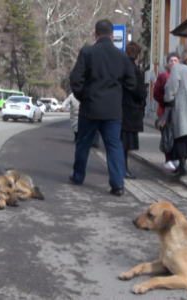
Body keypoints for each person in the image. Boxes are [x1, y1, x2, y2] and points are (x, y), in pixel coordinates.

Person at [69, 19, 136, 196]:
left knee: (84, 143)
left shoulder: (87, 52)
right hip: (113, 110)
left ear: (95, 34)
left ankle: (78, 176)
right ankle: (117, 184)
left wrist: (82, 96)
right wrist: (118, 99)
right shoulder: (121, 56)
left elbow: (76, 80)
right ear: (112, 35)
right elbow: (131, 84)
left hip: (90, 107)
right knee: (114, 146)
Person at [164, 52, 187, 178]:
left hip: (181, 108)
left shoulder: (177, 68)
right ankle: (182, 165)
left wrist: (168, 99)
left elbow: (170, 86)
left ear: (180, 60)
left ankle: (183, 166)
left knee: (179, 137)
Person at [121, 42, 147, 179]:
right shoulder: (135, 70)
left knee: (121, 141)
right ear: (137, 55)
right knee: (125, 143)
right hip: (131, 110)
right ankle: (123, 169)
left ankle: (121, 168)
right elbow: (140, 92)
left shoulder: (121, 67)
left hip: (121, 109)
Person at [153, 52, 180, 171]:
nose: (173, 63)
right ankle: (168, 159)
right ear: (167, 63)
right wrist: (166, 102)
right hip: (165, 112)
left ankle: (176, 158)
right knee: (167, 136)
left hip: (178, 111)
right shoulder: (163, 76)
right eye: (171, 61)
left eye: (175, 60)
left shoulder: (181, 74)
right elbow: (156, 93)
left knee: (177, 136)